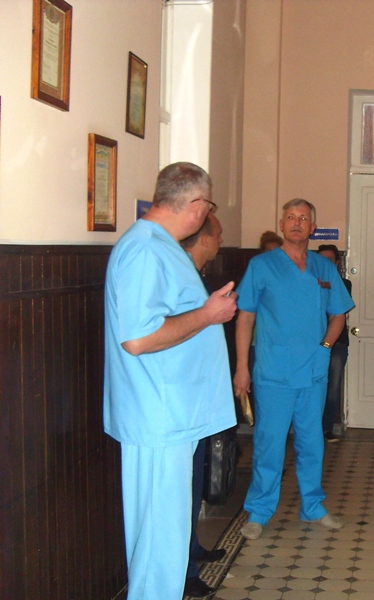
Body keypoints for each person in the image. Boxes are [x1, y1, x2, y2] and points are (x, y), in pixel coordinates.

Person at [103, 162, 237, 600]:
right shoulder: (146, 250)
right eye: (208, 205)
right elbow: (138, 339)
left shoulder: (160, 246)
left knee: (166, 537)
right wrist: (208, 314)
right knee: (160, 542)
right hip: (159, 415)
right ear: (196, 205)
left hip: (171, 415)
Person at [234, 199, 355, 540]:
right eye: (291, 217)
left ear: (312, 227)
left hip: (313, 371)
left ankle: (313, 506)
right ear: (282, 224)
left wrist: (325, 347)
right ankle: (259, 511)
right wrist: (242, 367)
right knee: (269, 443)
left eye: (303, 218)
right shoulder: (261, 266)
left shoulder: (323, 268)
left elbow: (339, 314)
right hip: (273, 371)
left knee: (311, 442)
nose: (297, 222)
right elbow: (245, 317)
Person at [179, 214, 229, 597]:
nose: (221, 241)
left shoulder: (197, 276)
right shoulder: (180, 276)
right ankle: (184, 573)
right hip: (183, 402)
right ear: (205, 239)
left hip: (199, 401)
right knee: (180, 492)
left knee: (194, 482)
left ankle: (192, 547)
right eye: (218, 235)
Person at [318, 243, 352, 443]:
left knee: (333, 386)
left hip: (337, 343)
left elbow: (336, 308)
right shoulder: (309, 282)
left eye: (329, 260)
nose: (325, 264)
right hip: (314, 342)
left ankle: (327, 427)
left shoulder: (344, 284)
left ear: (337, 262)